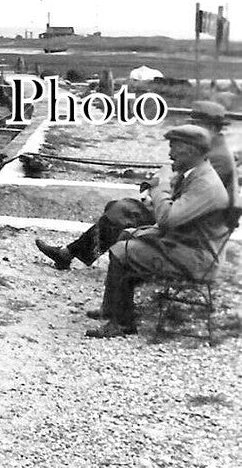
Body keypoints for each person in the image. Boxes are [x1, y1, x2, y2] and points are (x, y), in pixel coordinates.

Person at [35, 101, 237, 269]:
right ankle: (75, 253)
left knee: (122, 210)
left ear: (212, 127)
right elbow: (175, 176)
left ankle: (80, 255)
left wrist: (156, 193)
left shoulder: (217, 157)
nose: (192, 129)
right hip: (184, 212)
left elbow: (188, 193)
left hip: (193, 226)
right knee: (119, 207)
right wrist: (153, 185)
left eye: (197, 124)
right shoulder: (205, 147)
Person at [86, 124, 232, 338]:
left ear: (191, 151)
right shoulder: (197, 174)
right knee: (126, 235)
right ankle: (111, 308)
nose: (170, 153)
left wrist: (159, 188)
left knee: (121, 250)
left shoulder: (206, 184)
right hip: (188, 245)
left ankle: (123, 323)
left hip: (197, 258)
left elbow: (167, 220)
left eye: (174, 147)